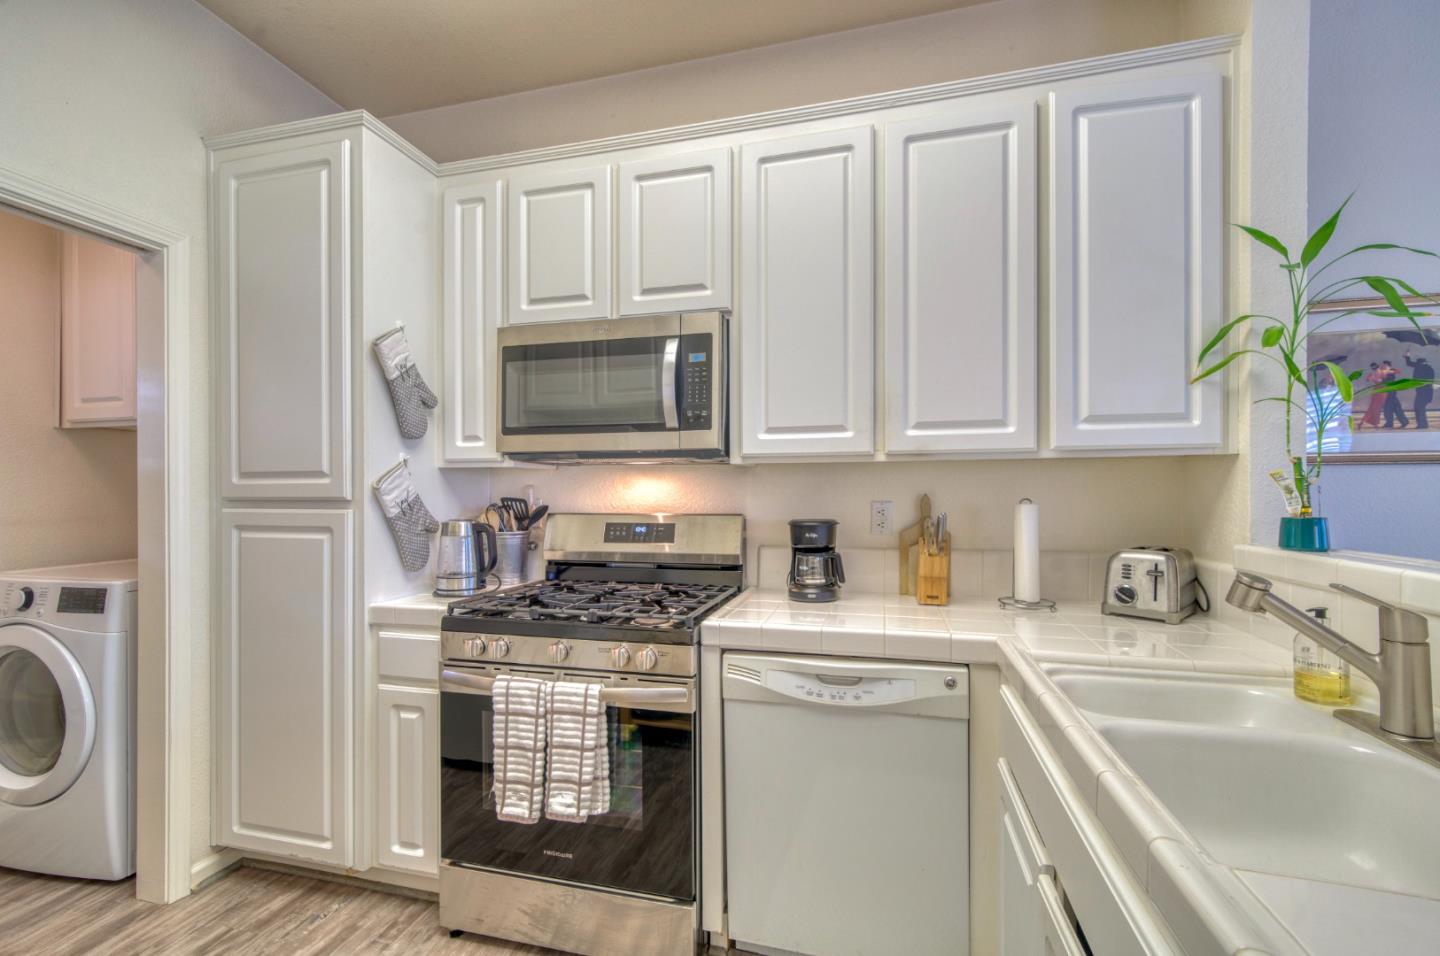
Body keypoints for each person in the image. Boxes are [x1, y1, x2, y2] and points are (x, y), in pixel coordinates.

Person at [1406, 350, 1436, 430]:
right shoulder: (1429, 369)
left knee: (1418, 408)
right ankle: (1423, 424)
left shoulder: (1421, 368)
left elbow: (1410, 364)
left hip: (1422, 392)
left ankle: (1422, 424)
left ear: (1420, 363)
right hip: (1427, 392)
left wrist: (1407, 356)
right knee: (1420, 408)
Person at [1382, 361, 1410, 429]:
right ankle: (1390, 422)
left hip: (1390, 393)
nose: (1383, 366)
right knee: (1389, 408)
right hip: (1388, 393)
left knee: (1392, 408)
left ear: (1387, 365)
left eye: (1384, 365)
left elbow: (1390, 381)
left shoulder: (1391, 372)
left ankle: (1402, 422)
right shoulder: (1385, 372)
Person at [1360, 362, 1387, 428]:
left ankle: (1364, 422)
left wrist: (1372, 378)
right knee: (1375, 407)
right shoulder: (1381, 372)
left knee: (1373, 407)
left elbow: (1376, 380)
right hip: (1380, 392)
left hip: (1379, 391)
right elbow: (1380, 380)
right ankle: (1374, 423)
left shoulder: (1377, 373)